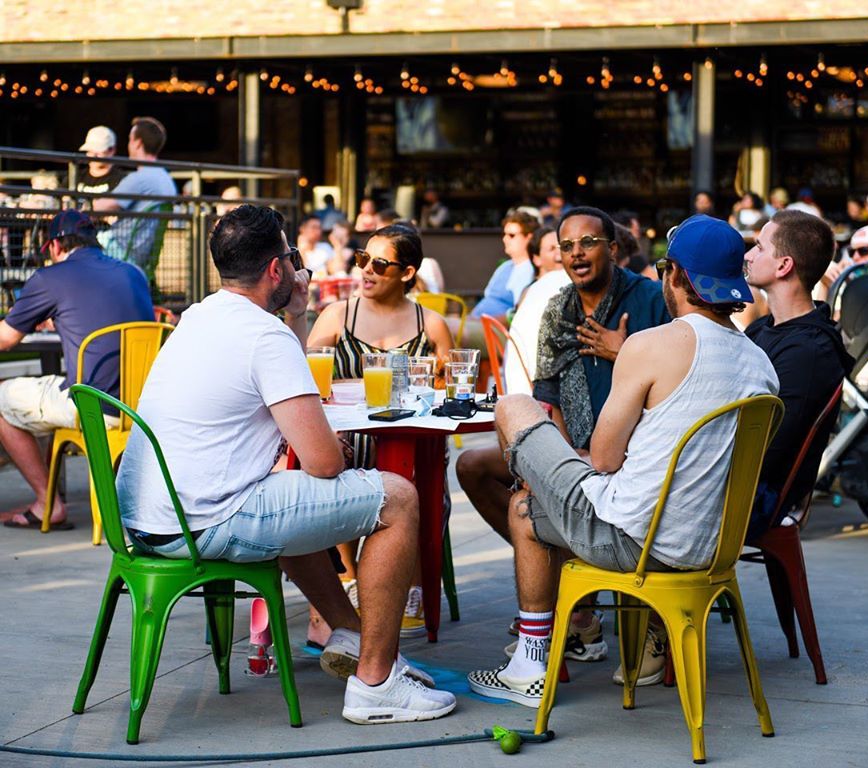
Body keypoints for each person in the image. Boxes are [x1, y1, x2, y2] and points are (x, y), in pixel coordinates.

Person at [116, 205, 455, 724]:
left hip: (151, 520)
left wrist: (295, 315)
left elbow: (285, 396)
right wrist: (331, 451)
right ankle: (376, 684)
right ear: (277, 269)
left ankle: (350, 634)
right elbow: (321, 462)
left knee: (292, 495)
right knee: (398, 497)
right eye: (292, 258)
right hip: (204, 521)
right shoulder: (262, 335)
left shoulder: (199, 316)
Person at [466, 213, 778, 706]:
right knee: (533, 493)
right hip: (712, 547)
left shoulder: (650, 344)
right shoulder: (761, 363)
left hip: (636, 540)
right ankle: (572, 622)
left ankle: (531, 664)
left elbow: (606, 459)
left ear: (675, 275)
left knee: (515, 425)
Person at [457, 206, 670, 674]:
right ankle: (574, 606)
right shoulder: (559, 307)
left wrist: (624, 352)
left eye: (588, 243)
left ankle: (635, 620)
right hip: (576, 450)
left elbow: (673, 387)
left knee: (533, 507)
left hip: (636, 454)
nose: (577, 254)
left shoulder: (651, 299)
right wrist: (544, 464)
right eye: (567, 246)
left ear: (612, 249)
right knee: (473, 466)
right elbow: (546, 397)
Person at [308, 222, 454, 638]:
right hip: (350, 441)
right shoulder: (339, 315)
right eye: (361, 259)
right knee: (333, 471)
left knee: (423, 479)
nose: (366, 270)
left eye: (379, 264)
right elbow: (305, 376)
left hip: (412, 442)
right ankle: (349, 584)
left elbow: (446, 396)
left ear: (407, 273)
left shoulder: (432, 324)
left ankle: (410, 584)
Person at [0, 210, 153, 530]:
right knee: (39, 391)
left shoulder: (50, 278)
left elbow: (6, 338)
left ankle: (47, 503)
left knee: (3, 399)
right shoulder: (133, 273)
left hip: (93, 405)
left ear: (55, 246)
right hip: (139, 405)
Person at [744, 210, 854, 537]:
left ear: (784, 265)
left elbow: (770, 449)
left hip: (752, 501)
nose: (748, 254)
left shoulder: (809, 350)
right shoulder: (763, 328)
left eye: (759, 247)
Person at [94, 116, 177, 270]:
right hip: (143, 255)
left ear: (137, 143)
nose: (129, 144)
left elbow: (97, 208)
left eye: (130, 140)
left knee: (77, 250)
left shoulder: (139, 178)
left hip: (121, 251)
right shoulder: (166, 178)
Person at [503, 227, 569, 396]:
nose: (559, 254)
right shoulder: (534, 290)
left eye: (563, 247)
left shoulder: (560, 287)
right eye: (552, 249)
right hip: (533, 385)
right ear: (536, 259)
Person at [470, 210, 538, 319]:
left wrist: (481, 323)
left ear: (529, 238)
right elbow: (488, 298)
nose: (505, 239)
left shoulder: (532, 270)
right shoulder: (505, 266)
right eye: (504, 234)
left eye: (511, 235)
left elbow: (517, 314)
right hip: (476, 322)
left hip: (493, 329)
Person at [75, 126, 127, 199]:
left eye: (98, 151)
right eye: (89, 150)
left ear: (112, 150)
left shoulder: (121, 181)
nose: (93, 155)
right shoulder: (76, 177)